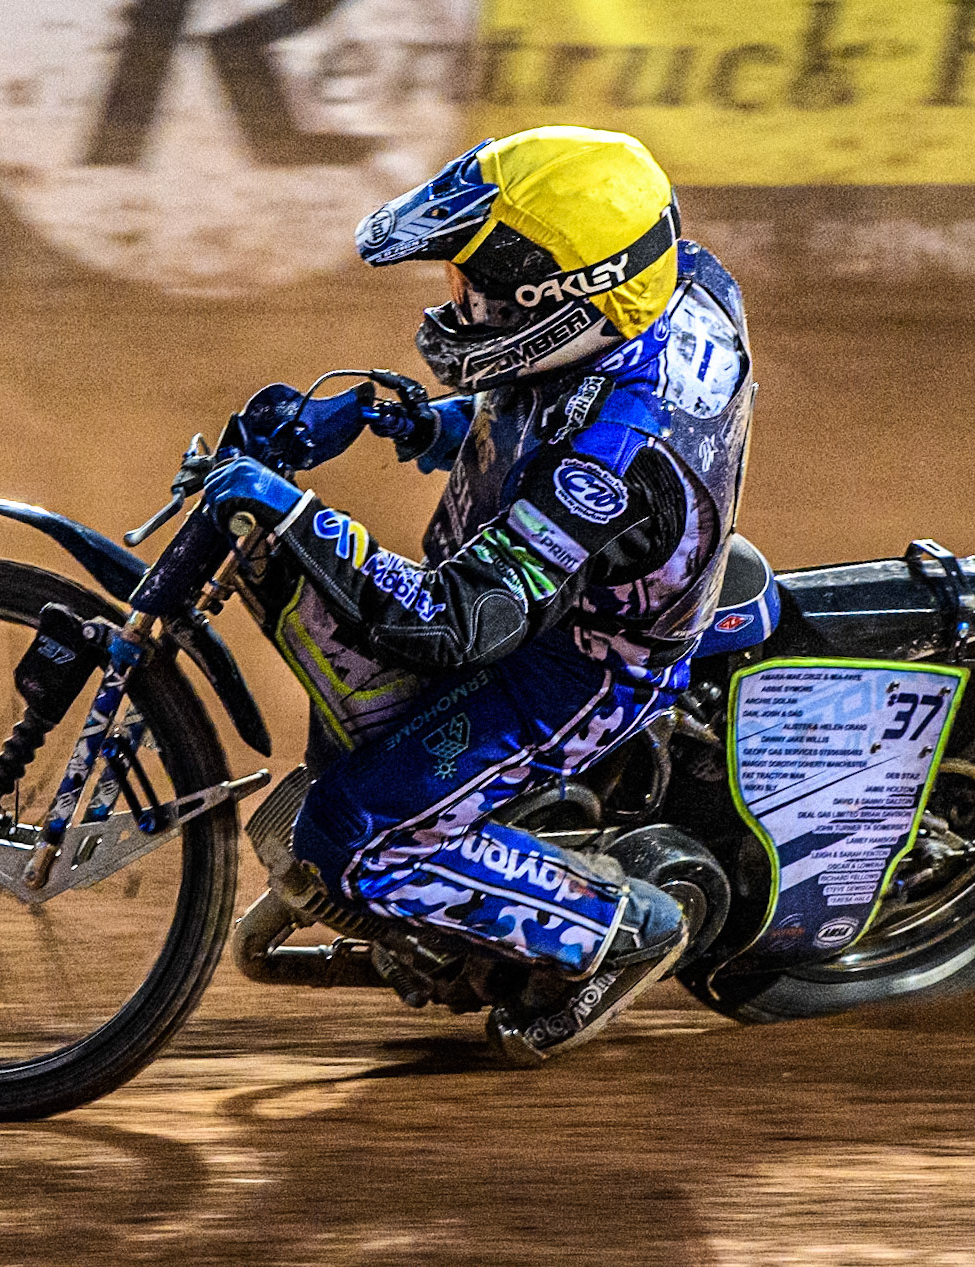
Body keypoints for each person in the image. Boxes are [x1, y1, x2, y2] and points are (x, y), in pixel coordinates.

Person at [200, 125, 755, 1063]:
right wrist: (413, 418)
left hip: (577, 665)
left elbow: (458, 620)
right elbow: (542, 404)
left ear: (565, 298)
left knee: (354, 837)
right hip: (581, 568)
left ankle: (618, 925)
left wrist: (302, 522)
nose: (460, 307)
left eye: (482, 291)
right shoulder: (670, 276)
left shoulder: (612, 463)